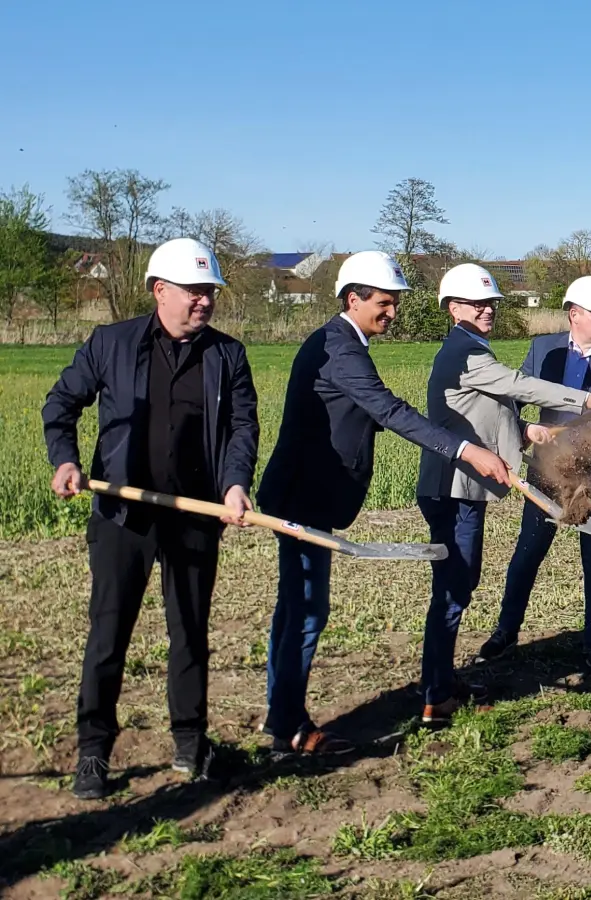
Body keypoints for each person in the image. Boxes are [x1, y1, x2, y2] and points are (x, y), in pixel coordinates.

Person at [257, 251, 511, 755]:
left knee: (294, 610)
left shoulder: (342, 343)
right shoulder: (340, 349)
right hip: (305, 495)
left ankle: (280, 717)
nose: (392, 312)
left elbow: (368, 411)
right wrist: (465, 449)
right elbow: (389, 410)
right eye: (384, 303)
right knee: (305, 612)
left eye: (394, 303)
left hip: (300, 492)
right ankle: (287, 726)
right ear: (354, 298)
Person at [43, 238, 259, 799]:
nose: (204, 302)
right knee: (109, 631)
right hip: (122, 515)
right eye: (194, 292)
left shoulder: (227, 356)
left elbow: (242, 429)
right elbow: (60, 404)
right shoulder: (110, 344)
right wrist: (65, 459)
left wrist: (236, 484)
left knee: (189, 630)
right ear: (159, 290)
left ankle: (191, 742)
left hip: (194, 515)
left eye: (210, 292)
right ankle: (94, 751)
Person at [417, 265, 591, 712]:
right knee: (456, 586)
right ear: (454, 309)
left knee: (461, 582)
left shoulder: (472, 346)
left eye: (491, 303)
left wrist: (524, 430)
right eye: (478, 304)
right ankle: (438, 689)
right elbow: (518, 385)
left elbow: (492, 406)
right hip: (457, 487)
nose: (488, 310)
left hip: (533, 484)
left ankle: (442, 684)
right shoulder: (467, 352)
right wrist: (589, 400)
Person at [478, 275, 591, 677]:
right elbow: (514, 402)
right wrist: (526, 428)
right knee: (527, 555)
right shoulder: (542, 349)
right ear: (574, 314)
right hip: (546, 474)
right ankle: (506, 631)